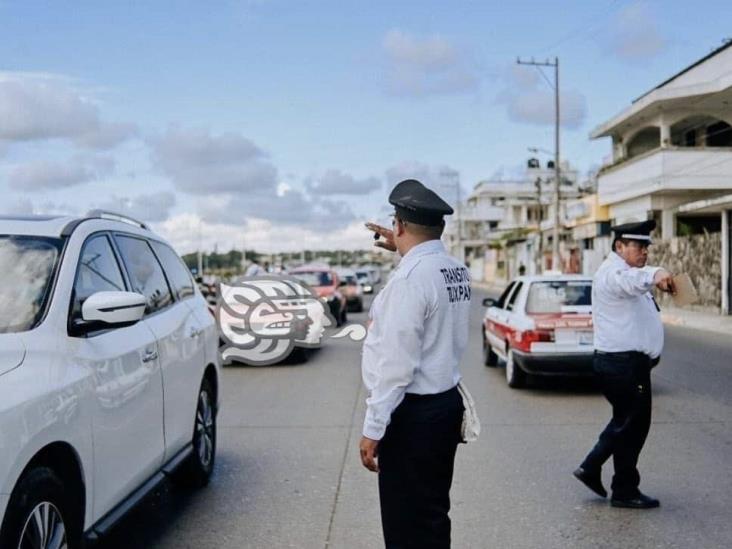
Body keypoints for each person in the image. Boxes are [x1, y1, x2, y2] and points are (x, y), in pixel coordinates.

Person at [360, 179, 471, 548]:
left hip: (412, 416)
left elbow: (396, 365)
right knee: (433, 514)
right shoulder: (454, 268)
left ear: (400, 226)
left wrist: (373, 428)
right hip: (443, 408)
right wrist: (404, 248)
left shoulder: (409, 280)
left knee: (405, 524)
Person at [574, 219, 675, 509]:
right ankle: (607, 477)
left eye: (646, 247)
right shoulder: (614, 273)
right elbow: (631, 281)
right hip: (622, 365)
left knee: (627, 422)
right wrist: (655, 272)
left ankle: (618, 484)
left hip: (628, 364)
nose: (644, 252)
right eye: (638, 246)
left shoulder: (627, 272)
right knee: (632, 424)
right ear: (619, 246)